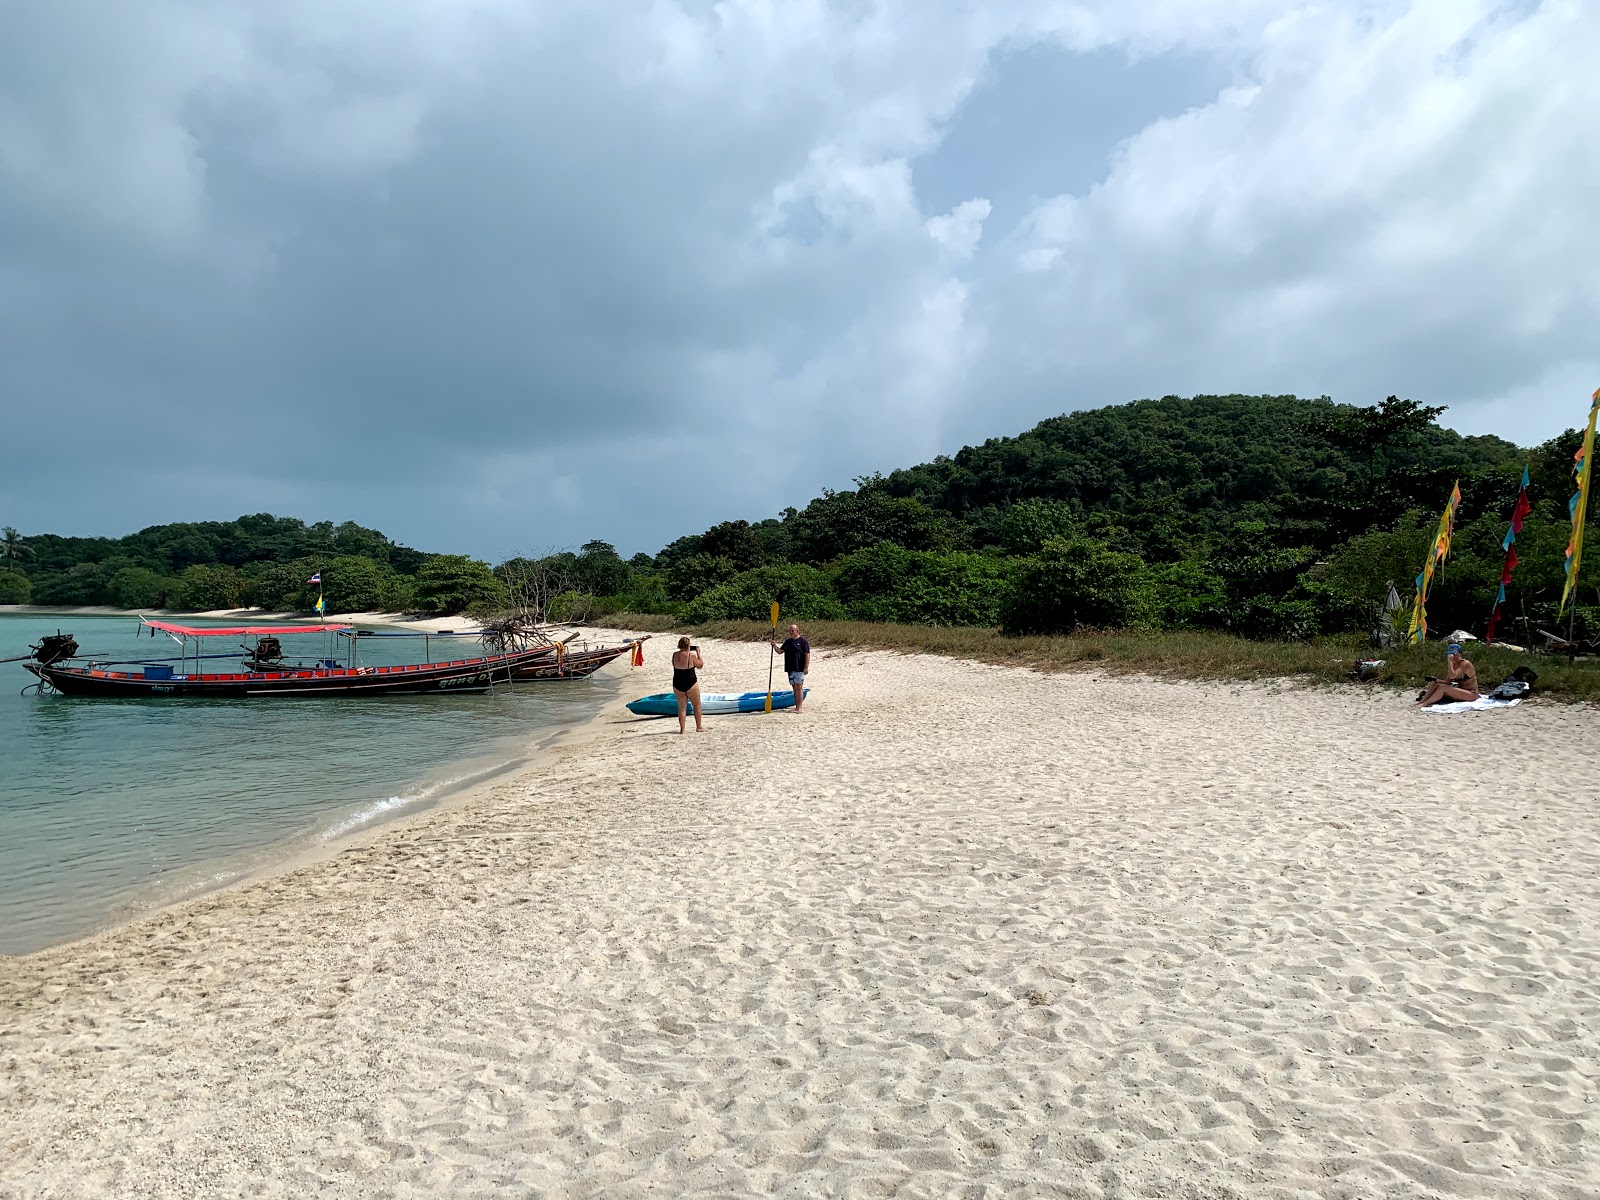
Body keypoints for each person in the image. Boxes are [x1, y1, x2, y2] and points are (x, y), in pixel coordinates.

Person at [1412, 643, 1479, 708]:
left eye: (1454, 653)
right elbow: (1448, 681)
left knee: (1443, 688)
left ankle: (1424, 704)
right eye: (1450, 653)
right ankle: (1421, 702)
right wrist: (1435, 680)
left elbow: (1453, 676)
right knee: (1437, 685)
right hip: (1461, 690)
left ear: (1459, 653)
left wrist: (1450, 662)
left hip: (1471, 694)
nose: (1452, 655)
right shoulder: (1454, 665)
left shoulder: (1465, 664)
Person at [771, 622, 810, 713]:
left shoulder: (803, 641)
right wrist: (774, 645)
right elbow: (780, 651)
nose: (791, 632)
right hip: (790, 668)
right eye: (790, 631)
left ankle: (799, 708)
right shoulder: (788, 642)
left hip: (799, 668)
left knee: (799, 686)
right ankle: (796, 706)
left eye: (792, 630)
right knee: (794, 687)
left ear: (797, 631)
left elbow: (807, 654)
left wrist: (806, 667)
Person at [670, 636, 705, 733]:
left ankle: (682, 729)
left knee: (681, 707)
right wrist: (699, 653)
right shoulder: (691, 655)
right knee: (696, 705)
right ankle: (699, 727)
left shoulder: (674, 655)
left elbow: (675, 665)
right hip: (690, 682)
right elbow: (700, 665)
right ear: (688, 645)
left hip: (677, 682)